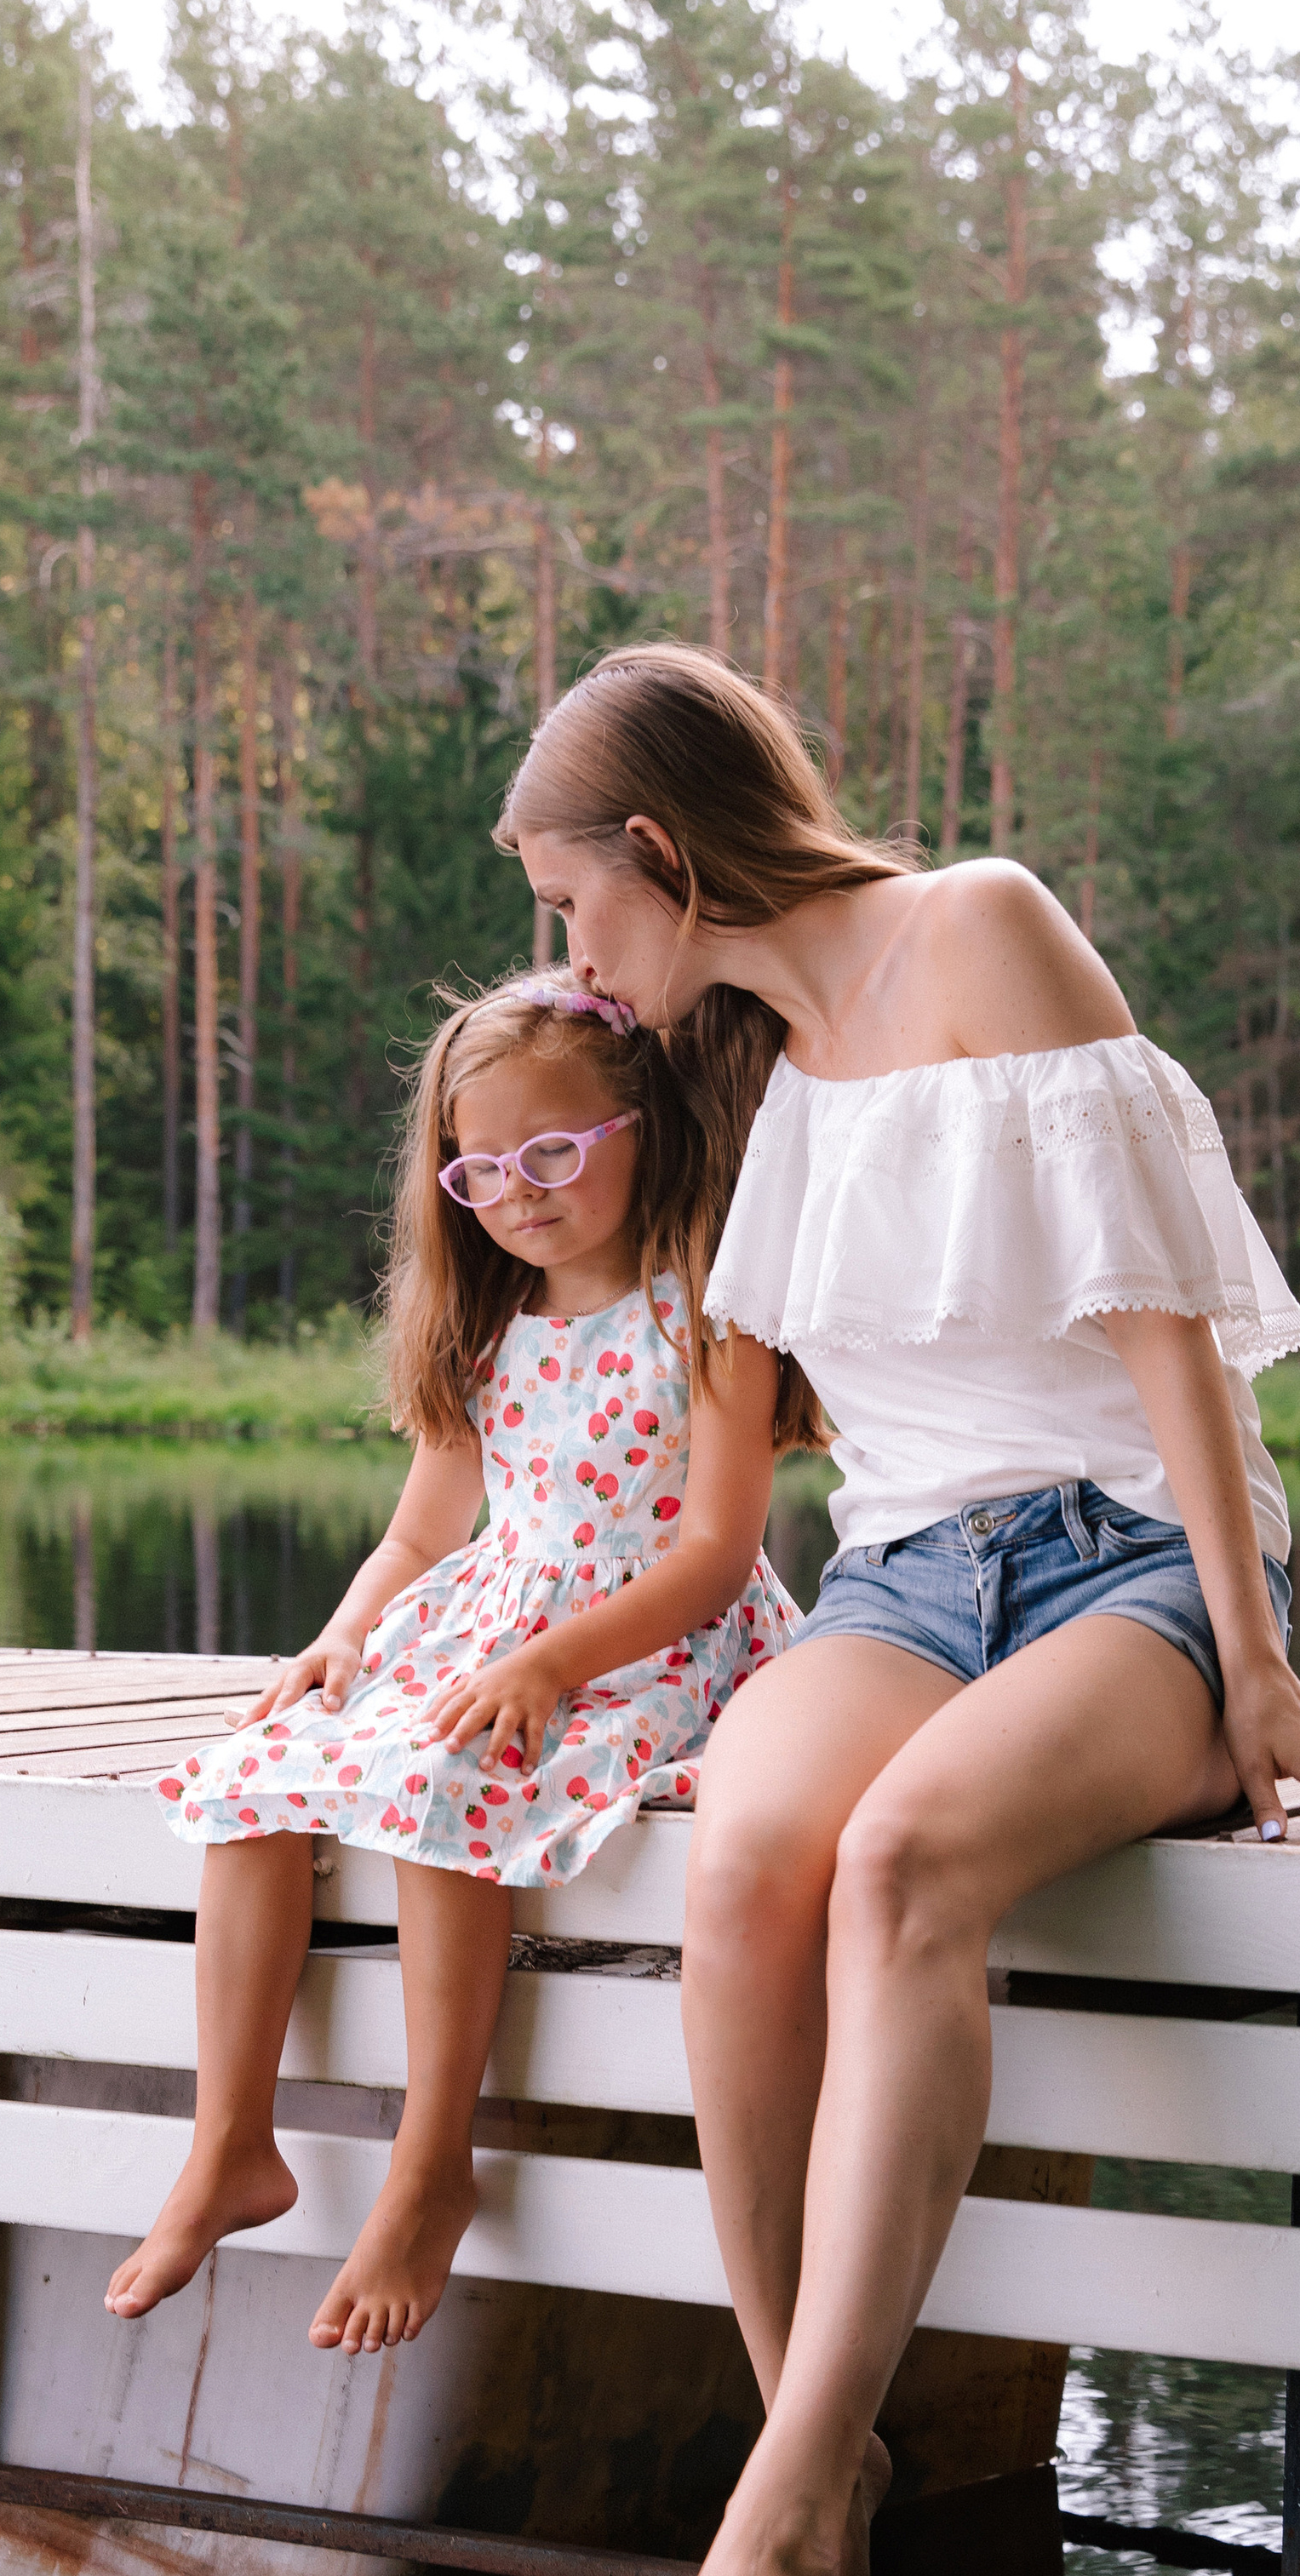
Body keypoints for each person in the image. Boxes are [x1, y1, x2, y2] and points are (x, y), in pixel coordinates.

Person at [502, 644, 1300, 2576]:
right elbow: (553, 1225)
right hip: (909, 1577)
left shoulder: (984, 926)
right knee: (746, 1862)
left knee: (906, 1863)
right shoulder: (751, 1065)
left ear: (661, 852)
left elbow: (1167, 1334)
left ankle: (759, 2543)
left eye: (571, 902)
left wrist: (1251, 1660)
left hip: (1124, 1556)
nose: (568, 949)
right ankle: (819, 2470)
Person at [106, 968, 805, 2355]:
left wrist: (552, 1663)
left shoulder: (709, 1316)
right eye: (482, 1169)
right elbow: (423, 1533)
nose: (521, 1192)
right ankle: (230, 2144)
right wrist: (343, 1635)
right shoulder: (484, 1329)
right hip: (496, 1631)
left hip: (656, 1640)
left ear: (639, 1129)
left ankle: (433, 2164)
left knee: (448, 1779)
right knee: (256, 1792)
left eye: (553, 1152)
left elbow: (717, 1552)